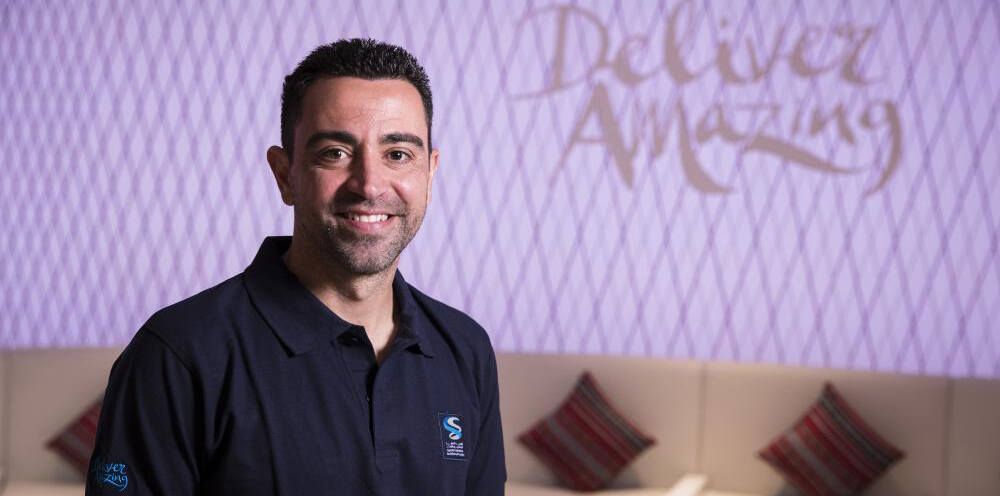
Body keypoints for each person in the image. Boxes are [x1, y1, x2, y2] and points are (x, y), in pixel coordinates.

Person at [86, 38, 506, 495]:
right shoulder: (179, 354)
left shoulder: (465, 349)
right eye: (335, 153)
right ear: (285, 174)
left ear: (429, 172)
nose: (369, 185)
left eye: (398, 155)